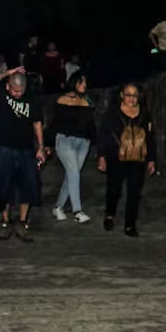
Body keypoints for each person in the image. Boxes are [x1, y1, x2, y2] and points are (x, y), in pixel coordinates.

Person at [0, 67, 45, 241]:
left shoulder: (31, 99)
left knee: (30, 185)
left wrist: (40, 146)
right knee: (4, 185)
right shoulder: (1, 94)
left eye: (21, 91)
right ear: (9, 87)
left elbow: (37, 122)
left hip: (26, 148)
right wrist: (9, 72)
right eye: (15, 91)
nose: (18, 94)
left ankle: (23, 222)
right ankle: (5, 221)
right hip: (3, 148)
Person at [97, 83, 157, 237]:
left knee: (135, 190)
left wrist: (151, 159)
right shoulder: (113, 113)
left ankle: (130, 224)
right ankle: (110, 214)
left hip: (138, 157)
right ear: (122, 95)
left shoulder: (144, 114)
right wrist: (102, 156)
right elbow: (103, 134)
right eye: (128, 94)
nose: (132, 98)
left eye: (135, 95)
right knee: (114, 188)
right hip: (116, 156)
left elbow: (150, 137)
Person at [50, 73, 95, 223]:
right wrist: (47, 145)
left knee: (72, 175)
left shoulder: (87, 100)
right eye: (82, 82)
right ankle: (78, 211)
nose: (84, 85)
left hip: (83, 142)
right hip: (65, 141)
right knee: (74, 173)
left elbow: (91, 124)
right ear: (74, 83)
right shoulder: (62, 99)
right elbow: (55, 123)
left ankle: (58, 207)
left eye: (85, 82)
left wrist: (95, 143)